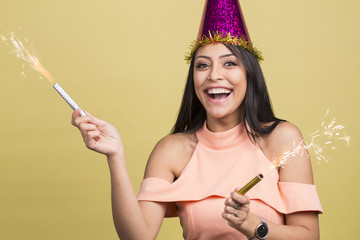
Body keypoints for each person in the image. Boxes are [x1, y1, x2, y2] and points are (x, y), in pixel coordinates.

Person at [72, 1, 322, 239]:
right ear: (193, 78)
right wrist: (115, 156)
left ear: (249, 74)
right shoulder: (172, 150)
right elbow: (138, 236)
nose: (214, 75)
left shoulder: (283, 139)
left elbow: (309, 236)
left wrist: (253, 225)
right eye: (202, 65)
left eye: (229, 63)